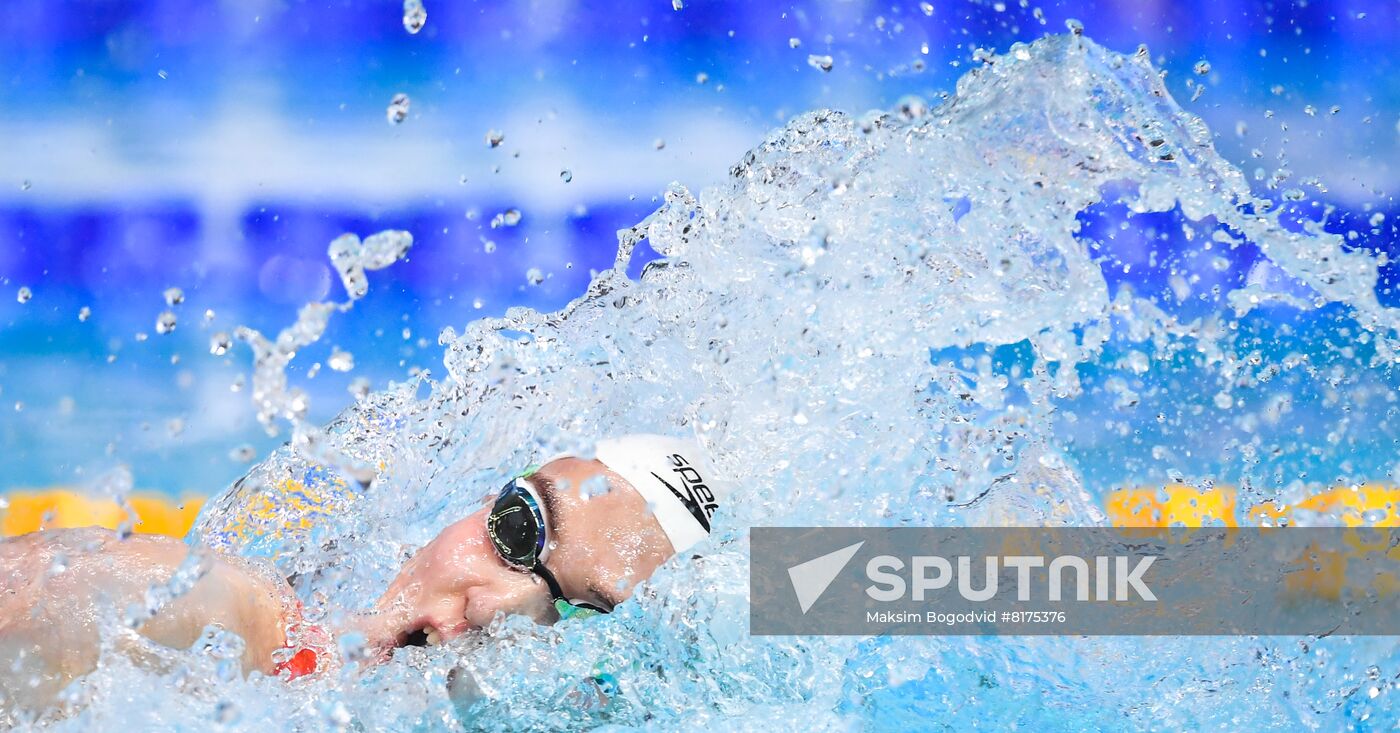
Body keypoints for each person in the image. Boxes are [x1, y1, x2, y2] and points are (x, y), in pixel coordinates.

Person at [0, 435, 722, 714]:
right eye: (515, 528)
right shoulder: (234, 625)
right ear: (479, 501)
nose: (494, 606)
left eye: (577, 612)